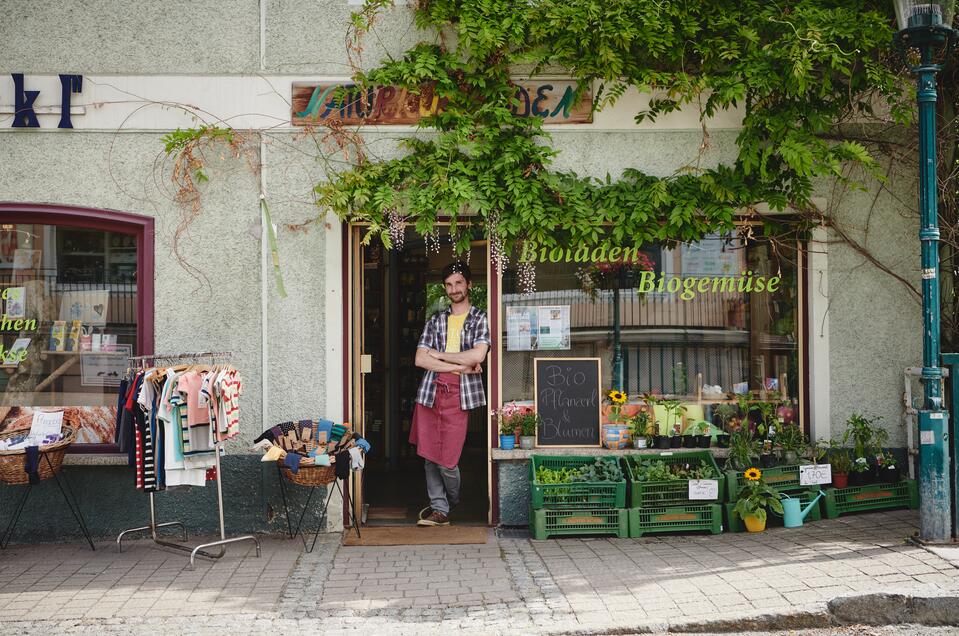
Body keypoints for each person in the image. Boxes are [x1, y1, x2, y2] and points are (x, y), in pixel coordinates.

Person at [409, 261, 490, 526]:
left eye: (458, 283)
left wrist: (441, 355)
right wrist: (461, 366)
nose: (454, 289)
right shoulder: (436, 321)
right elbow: (421, 359)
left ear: (469, 285)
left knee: (448, 459)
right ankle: (439, 510)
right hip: (430, 392)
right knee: (430, 456)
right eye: (449, 284)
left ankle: (453, 500)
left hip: (459, 394)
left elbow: (479, 354)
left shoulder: (480, 318)